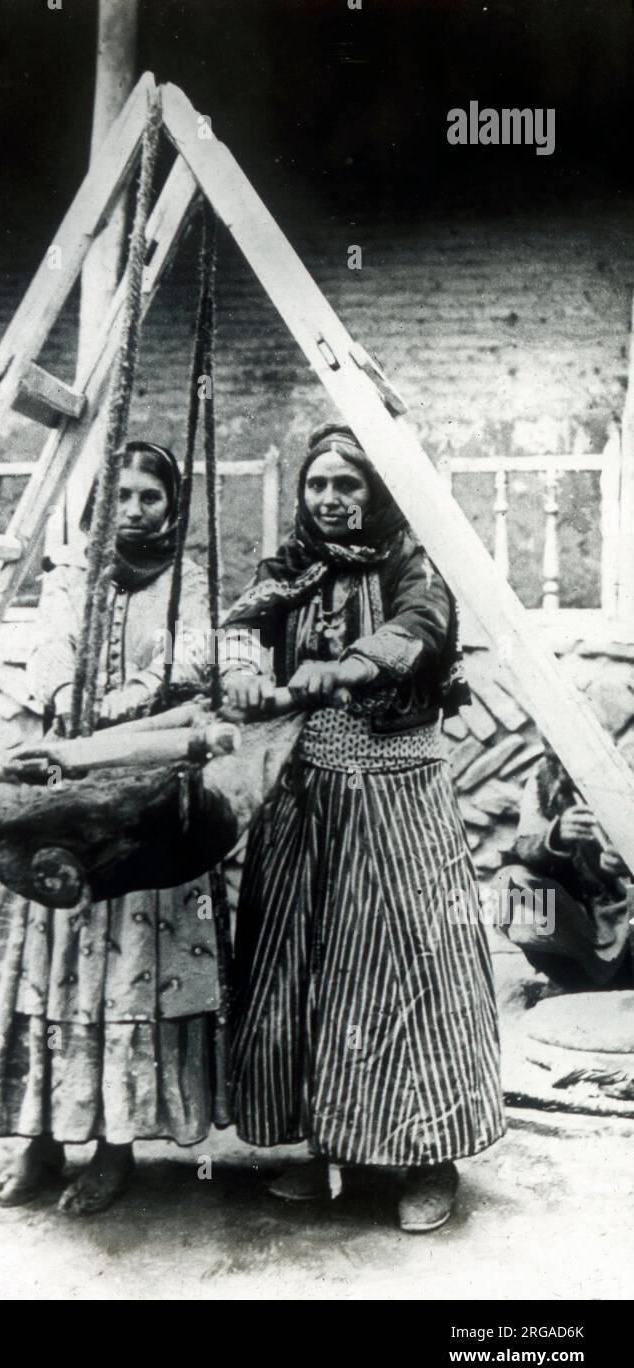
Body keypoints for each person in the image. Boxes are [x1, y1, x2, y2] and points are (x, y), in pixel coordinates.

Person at [221, 422, 505, 1233]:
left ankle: (429, 1157)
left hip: (397, 798)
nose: (332, 500)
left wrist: (343, 670)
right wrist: (242, 668)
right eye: (319, 486)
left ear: (376, 491)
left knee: (412, 968)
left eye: (348, 485)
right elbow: (239, 623)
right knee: (307, 967)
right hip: (307, 799)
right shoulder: (289, 568)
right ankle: (327, 1145)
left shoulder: (413, 556)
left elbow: (419, 628)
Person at [0, 441, 228, 1215]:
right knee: (48, 959)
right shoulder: (74, 572)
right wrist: (70, 692)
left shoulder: (188, 578)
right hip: (64, 770)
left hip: (141, 779)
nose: (134, 510)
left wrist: (132, 697)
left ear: (172, 507)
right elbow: (50, 646)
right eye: (121, 496)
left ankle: (114, 1145)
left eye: (150, 498)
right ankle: (40, 1139)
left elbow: (194, 655)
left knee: (124, 968)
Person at [492, 751, 632, 990]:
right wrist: (556, 837)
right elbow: (525, 848)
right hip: (584, 919)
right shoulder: (545, 775)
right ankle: (579, 979)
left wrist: (628, 859)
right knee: (512, 885)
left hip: (628, 911)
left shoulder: (624, 758)